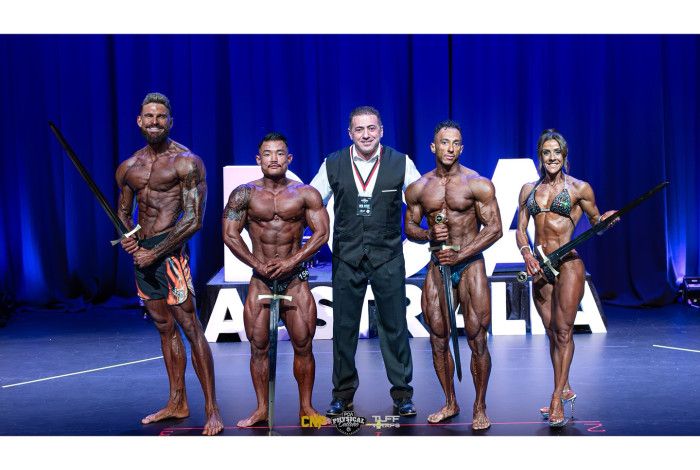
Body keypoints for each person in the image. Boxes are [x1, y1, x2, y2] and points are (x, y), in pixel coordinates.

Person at [116, 92, 223, 436]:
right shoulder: (129, 166)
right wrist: (128, 236)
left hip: (172, 254)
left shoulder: (186, 162)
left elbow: (193, 220)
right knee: (164, 327)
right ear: (139, 120)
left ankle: (212, 409)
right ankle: (177, 401)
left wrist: (155, 251)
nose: (154, 122)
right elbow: (123, 211)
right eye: (149, 116)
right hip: (142, 254)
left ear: (170, 121)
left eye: (161, 117)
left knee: (191, 327)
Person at [310, 106, 421, 417]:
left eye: (372, 128)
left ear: (381, 130)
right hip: (347, 257)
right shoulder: (333, 163)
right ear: (350, 133)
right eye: (359, 130)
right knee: (343, 328)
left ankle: (402, 394)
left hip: (387, 257)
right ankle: (341, 395)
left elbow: (421, 200)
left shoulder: (401, 162)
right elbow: (311, 200)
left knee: (395, 327)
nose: (366, 135)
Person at [223, 132, 330, 427]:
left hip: (295, 280)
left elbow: (322, 233)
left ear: (289, 158)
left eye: (280, 153)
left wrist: (292, 261)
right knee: (258, 347)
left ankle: (306, 408)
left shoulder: (305, 193)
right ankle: (261, 409)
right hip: (260, 279)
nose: (274, 159)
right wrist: (258, 263)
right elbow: (229, 234)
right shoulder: (243, 194)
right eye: (267, 154)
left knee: (303, 345)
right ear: (258, 159)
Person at [404, 120, 502, 430]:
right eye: (444, 142)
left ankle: (479, 404)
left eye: (456, 143)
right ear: (433, 147)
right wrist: (429, 234)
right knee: (437, 339)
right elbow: (409, 228)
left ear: (462, 147)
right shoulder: (419, 188)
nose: (450, 148)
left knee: (477, 338)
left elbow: (495, 228)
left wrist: (462, 253)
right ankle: (449, 401)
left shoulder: (477, 184)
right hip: (438, 266)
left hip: (470, 263)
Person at [516, 129, 616, 427]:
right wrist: (527, 254)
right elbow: (521, 228)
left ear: (565, 156)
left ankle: (556, 398)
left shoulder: (579, 188)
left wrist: (605, 222)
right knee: (551, 331)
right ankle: (566, 386)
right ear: (540, 156)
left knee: (563, 332)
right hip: (540, 267)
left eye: (556, 152)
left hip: (569, 264)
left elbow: (596, 223)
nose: (551, 158)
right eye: (546, 153)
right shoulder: (528, 190)